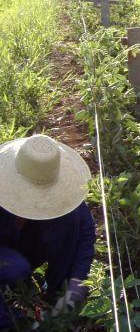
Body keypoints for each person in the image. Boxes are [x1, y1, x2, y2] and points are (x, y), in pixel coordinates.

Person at [0, 135, 95, 329]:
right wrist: (14, 320)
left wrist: (77, 280)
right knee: (16, 268)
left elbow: (85, 231)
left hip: (30, 242)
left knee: (69, 220)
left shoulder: (65, 198)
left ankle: (57, 292)